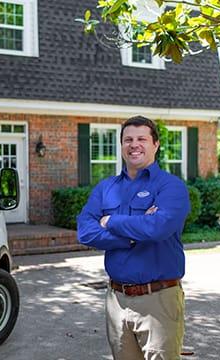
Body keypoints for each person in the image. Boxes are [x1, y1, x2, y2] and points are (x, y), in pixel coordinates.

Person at [77, 116, 190, 360]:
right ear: (121, 145)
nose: (134, 144)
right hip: (116, 301)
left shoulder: (171, 186)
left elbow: (159, 227)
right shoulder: (106, 188)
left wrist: (111, 221)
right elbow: (85, 231)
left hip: (158, 301)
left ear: (156, 144)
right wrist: (132, 237)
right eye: (128, 139)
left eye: (142, 139)